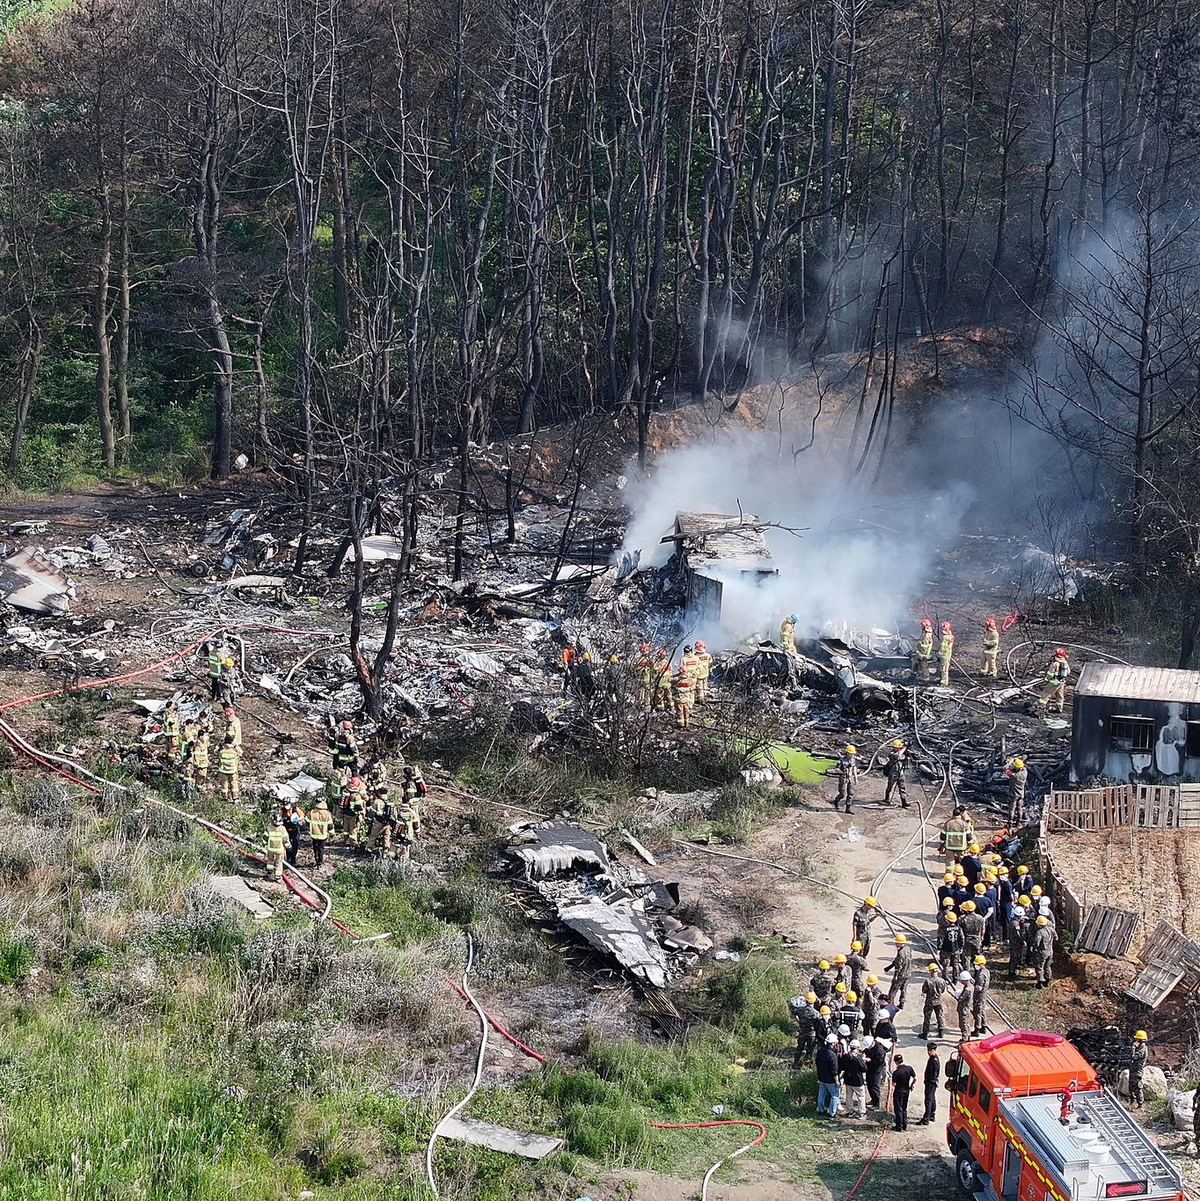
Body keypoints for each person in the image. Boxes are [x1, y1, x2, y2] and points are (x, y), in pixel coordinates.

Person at [1037, 647, 1071, 714]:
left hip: (1054, 681)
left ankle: (1040, 706)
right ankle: (1059, 708)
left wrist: (1046, 679)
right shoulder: (1065, 662)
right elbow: (1068, 672)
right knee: (1059, 695)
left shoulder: (1055, 664)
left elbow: (1050, 674)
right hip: (1061, 681)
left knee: (1047, 693)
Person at [840, 1041, 869, 1119]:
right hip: (858, 1081)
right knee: (861, 1097)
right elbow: (864, 1069)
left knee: (849, 1096)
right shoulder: (858, 1058)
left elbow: (842, 1066)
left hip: (848, 1080)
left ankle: (850, 1112)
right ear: (857, 1048)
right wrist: (864, 1061)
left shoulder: (845, 1056)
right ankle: (862, 1113)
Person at [815, 1034, 841, 1117]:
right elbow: (834, 1070)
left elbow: (817, 1062)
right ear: (833, 1043)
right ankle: (832, 1113)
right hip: (830, 1079)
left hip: (822, 1077)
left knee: (821, 1094)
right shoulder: (832, 1055)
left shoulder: (820, 1051)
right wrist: (837, 1080)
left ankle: (821, 1110)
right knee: (835, 1095)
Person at [791, 991, 819, 1065]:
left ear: (805, 1000)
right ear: (814, 1001)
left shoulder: (800, 1010)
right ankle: (807, 1063)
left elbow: (793, 1013)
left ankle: (795, 1063)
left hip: (802, 1031)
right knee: (810, 1049)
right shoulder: (816, 1013)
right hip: (812, 1033)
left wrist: (798, 1021)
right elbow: (818, 1024)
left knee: (799, 1048)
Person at [885, 934, 912, 1008]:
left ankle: (889, 1004)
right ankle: (902, 1003)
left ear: (900, 943)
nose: (895, 944)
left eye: (896, 942)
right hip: (908, 973)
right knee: (903, 989)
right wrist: (889, 967)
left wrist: (895, 976)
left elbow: (898, 966)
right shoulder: (908, 949)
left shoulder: (901, 953)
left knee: (893, 990)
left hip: (901, 975)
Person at [920, 963, 946, 1039]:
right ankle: (941, 1032)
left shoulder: (928, 981)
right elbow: (943, 990)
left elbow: (924, 991)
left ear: (931, 971)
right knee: (940, 1016)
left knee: (927, 1017)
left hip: (929, 1002)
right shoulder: (942, 981)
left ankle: (925, 1034)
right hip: (938, 1001)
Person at [891, 1054, 916, 1131]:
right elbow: (915, 1078)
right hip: (906, 1091)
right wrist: (911, 1085)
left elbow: (894, 1084)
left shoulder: (896, 1072)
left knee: (898, 1109)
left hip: (899, 1091)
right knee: (904, 1108)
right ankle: (904, 1124)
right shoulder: (909, 1068)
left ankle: (899, 1126)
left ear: (895, 1062)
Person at [918, 1043, 941, 1125]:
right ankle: (931, 1114)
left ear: (934, 1050)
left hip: (931, 1082)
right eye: (928, 1050)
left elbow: (934, 1073)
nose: (929, 1052)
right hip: (931, 1082)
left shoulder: (934, 1060)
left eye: (931, 1050)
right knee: (932, 1099)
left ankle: (926, 1118)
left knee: (928, 1100)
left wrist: (930, 1081)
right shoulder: (933, 1058)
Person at [832, 745, 859, 814]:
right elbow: (836, 769)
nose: (852, 755)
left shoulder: (853, 759)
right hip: (843, 778)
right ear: (847, 752)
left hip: (850, 778)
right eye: (851, 753)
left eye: (853, 753)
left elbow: (854, 768)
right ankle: (836, 801)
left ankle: (848, 808)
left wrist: (855, 778)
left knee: (851, 793)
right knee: (842, 794)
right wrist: (842, 772)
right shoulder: (841, 760)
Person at [884, 739, 909, 808]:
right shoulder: (891, 754)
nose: (899, 748)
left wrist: (906, 751)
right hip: (893, 773)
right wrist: (905, 748)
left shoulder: (901, 752)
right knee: (890, 786)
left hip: (900, 773)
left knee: (902, 787)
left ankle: (904, 802)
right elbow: (898, 756)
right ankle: (887, 798)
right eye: (898, 747)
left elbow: (905, 757)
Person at [308, 797, 332, 868]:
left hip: (314, 835)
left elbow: (306, 821)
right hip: (323, 835)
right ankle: (320, 863)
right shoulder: (327, 814)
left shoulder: (312, 812)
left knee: (315, 848)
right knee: (321, 849)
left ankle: (316, 859)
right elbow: (330, 826)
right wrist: (331, 833)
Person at [865, 1036, 888, 1109]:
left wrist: (870, 1060)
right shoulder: (870, 1048)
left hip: (876, 1070)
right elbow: (866, 1051)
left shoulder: (879, 1050)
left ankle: (876, 1103)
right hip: (869, 1069)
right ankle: (873, 1099)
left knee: (875, 1085)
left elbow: (880, 1062)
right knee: (869, 1085)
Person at [939, 912, 964, 978]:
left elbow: (941, 939)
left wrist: (939, 948)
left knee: (946, 965)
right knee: (956, 965)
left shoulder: (944, 929)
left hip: (946, 950)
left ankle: (945, 978)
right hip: (956, 950)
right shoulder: (959, 929)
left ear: (947, 920)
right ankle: (955, 978)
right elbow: (962, 939)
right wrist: (960, 947)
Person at [1032, 914, 1054, 987]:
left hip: (1042, 953)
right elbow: (1056, 938)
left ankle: (1040, 983)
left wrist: (1034, 948)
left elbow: (1037, 943)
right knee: (1048, 967)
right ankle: (1048, 981)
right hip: (1050, 951)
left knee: (1040, 967)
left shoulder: (1040, 932)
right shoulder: (1051, 929)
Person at [971, 955, 991, 1037]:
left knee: (977, 1012)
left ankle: (977, 1029)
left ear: (981, 964)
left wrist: (972, 989)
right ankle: (984, 1026)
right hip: (984, 994)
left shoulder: (981, 975)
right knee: (982, 1010)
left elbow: (979, 987)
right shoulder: (986, 971)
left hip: (979, 995)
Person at [1006, 757, 1029, 826]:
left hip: (1013, 794)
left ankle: (1010, 823)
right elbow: (1023, 767)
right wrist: (1017, 760)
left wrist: (1009, 763)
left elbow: (1006, 770)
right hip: (1021, 794)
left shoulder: (1014, 776)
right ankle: (1018, 822)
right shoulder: (1025, 773)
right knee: (1020, 809)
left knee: (1011, 809)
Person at [1129, 1030, 1149, 1108]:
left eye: (1137, 1039)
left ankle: (1140, 1104)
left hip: (1137, 1071)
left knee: (1137, 1087)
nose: (1136, 1041)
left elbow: (1134, 1056)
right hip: (1133, 1070)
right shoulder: (1139, 1048)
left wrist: (1133, 1048)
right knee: (1131, 1087)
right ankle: (1132, 1101)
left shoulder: (1143, 1049)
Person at [217, 734, 240, 800]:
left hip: (223, 770)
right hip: (232, 770)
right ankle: (235, 798)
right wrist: (235, 746)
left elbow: (215, 752)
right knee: (234, 784)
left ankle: (225, 797)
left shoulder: (221, 751)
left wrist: (219, 746)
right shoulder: (234, 751)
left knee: (224, 784)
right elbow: (240, 753)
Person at [954, 972, 975, 1043]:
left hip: (964, 1008)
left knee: (963, 1024)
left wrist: (956, 996)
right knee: (966, 1023)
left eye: (962, 980)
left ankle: (965, 1039)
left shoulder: (967, 989)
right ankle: (967, 1037)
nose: (961, 981)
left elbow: (960, 999)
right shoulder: (971, 986)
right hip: (967, 1007)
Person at [673, 664, 696, 729]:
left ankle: (681, 724)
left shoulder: (677, 679)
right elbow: (693, 685)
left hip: (679, 699)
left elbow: (671, 680)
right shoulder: (690, 679)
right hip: (687, 699)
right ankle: (687, 724)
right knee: (686, 711)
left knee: (680, 712)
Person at [265, 815, 287, 881]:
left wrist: (265, 844)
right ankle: (278, 876)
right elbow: (285, 839)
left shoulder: (269, 827)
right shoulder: (282, 829)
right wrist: (288, 846)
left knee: (270, 860)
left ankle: (269, 872)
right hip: (279, 850)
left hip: (270, 848)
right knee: (278, 862)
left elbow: (265, 837)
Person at [636, 644, 654, 709]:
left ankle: (643, 703)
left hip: (645, 679)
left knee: (645, 692)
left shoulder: (640, 659)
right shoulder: (641, 660)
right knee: (643, 692)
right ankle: (643, 703)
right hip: (644, 679)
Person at [938, 621, 955, 686]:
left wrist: (939, 655)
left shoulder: (945, 637)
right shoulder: (950, 636)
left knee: (944, 669)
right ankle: (942, 680)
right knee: (943, 668)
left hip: (944, 656)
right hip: (945, 655)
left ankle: (944, 682)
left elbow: (943, 648)